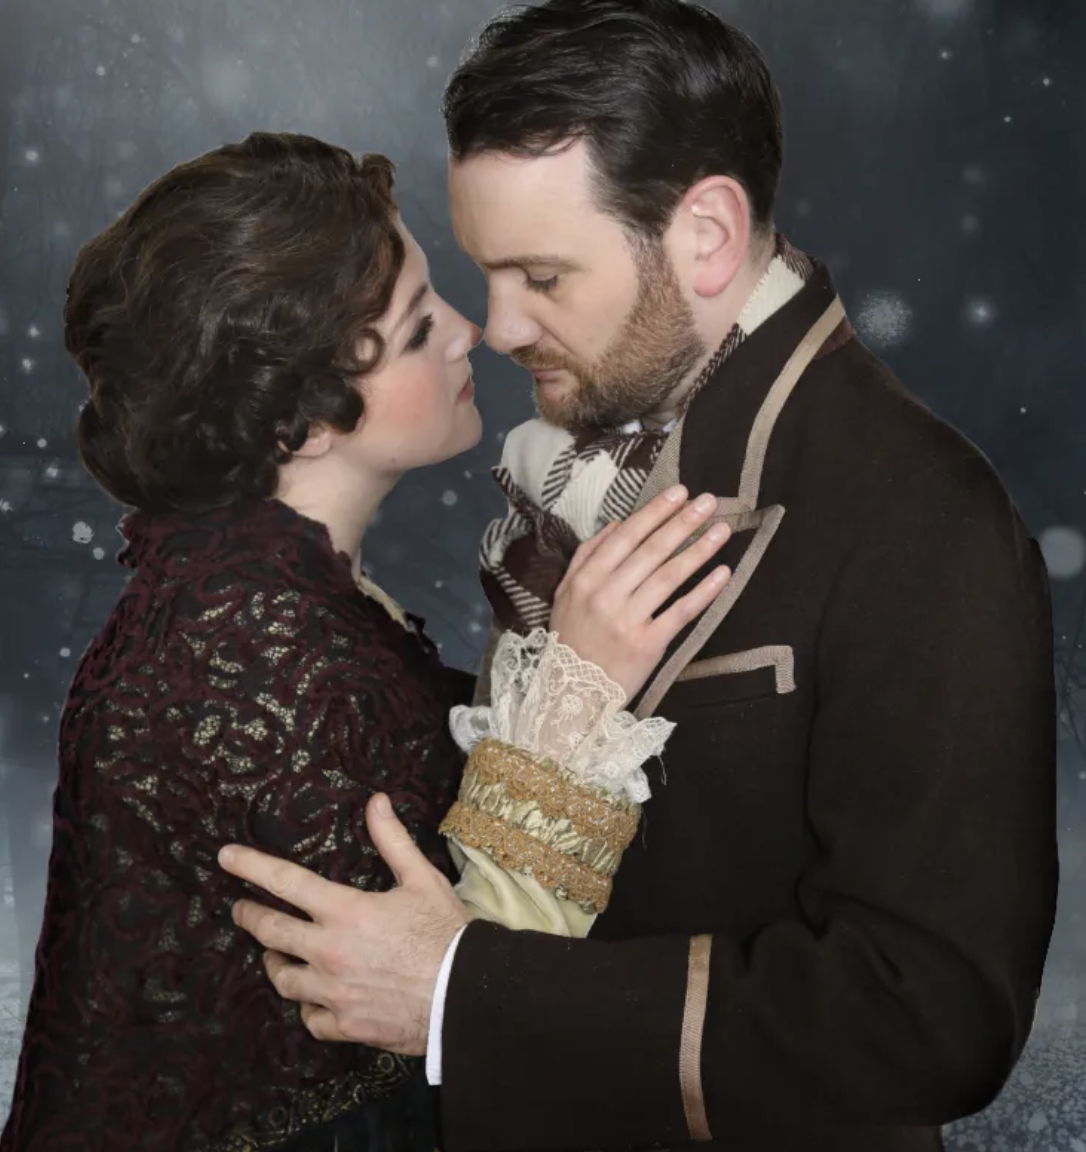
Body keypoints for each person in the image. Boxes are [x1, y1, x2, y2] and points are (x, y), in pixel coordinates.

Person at [220, 3, 1060, 1152]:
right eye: (483, 271)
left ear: (706, 233)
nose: (499, 326)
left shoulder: (925, 518)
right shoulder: (587, 462)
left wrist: (464, 993)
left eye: (543, 276)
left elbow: (934, 1016)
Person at [0, 130, 732, 1152]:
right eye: (421, 322)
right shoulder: (256, 655)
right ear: (304, 419)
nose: (472, 332)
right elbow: (434, 1028)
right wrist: (576, 691)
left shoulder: (263, 591)